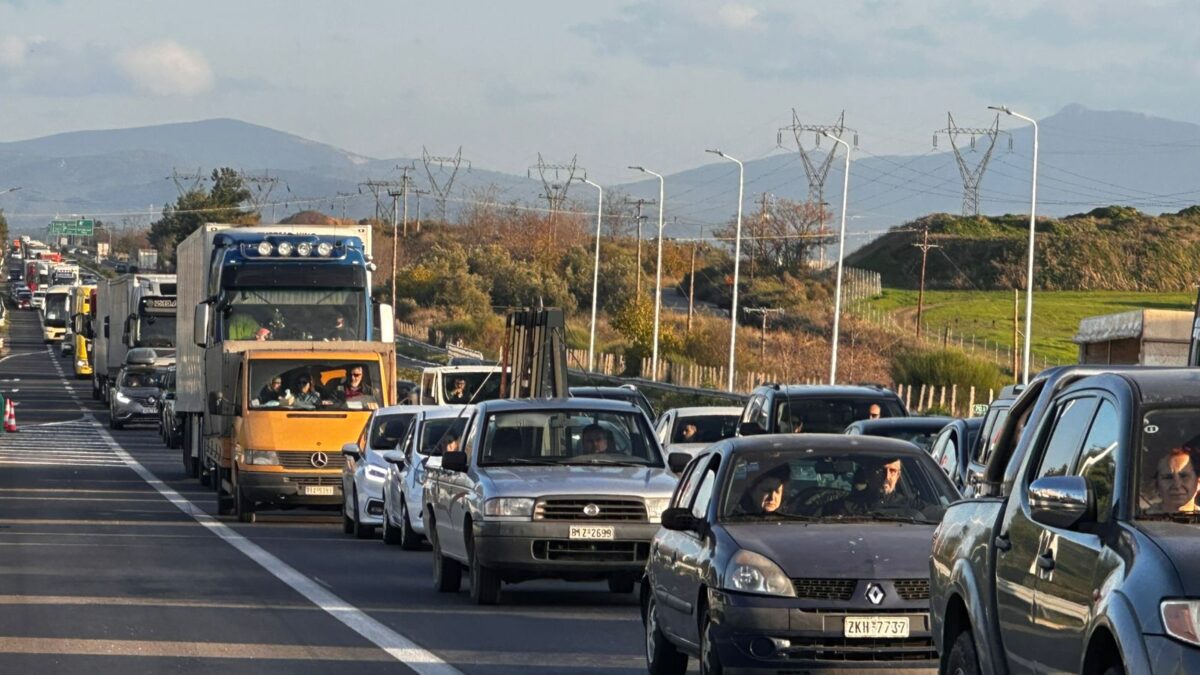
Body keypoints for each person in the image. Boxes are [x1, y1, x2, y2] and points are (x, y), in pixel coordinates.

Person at [822, 456, 918, 516]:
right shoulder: (842, 509)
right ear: (868, 474)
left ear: (898, 476)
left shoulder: (915, 509)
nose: (887, 477)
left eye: (892, 471)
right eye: (881, 471)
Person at [1151, 447, 1200, 513]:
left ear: (1198, 482)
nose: (1177, 485)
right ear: (1156, 485)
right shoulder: (1140, 521)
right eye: (1168, 477)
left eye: (1184, 476)